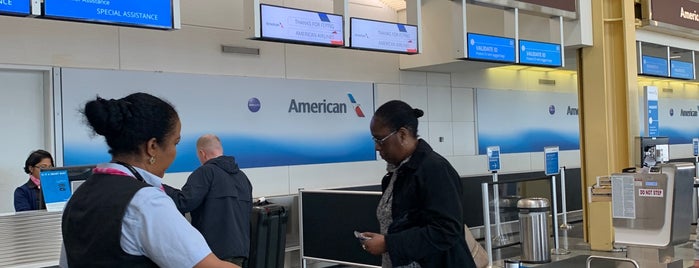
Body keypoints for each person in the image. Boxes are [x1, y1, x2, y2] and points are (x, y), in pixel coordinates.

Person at [59, 92, 238, 268]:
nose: (175, 152)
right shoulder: (146, 203)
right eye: (175, 143)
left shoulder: (77, 198)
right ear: (152, 147)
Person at [358, 100, 476, 268]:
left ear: (402, 134)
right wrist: (385, 240)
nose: (377, 147)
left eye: (381, 140)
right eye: (374, 139)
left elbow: (446, 230)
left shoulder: (434, 169)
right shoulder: (397, 172)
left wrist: (388, 244)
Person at [163, 134, 253, 267]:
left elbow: (184, 202)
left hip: (213, 254)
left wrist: (159, 187)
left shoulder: (205, 172)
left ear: (202, 153)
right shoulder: (243, 177)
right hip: (240, 252)